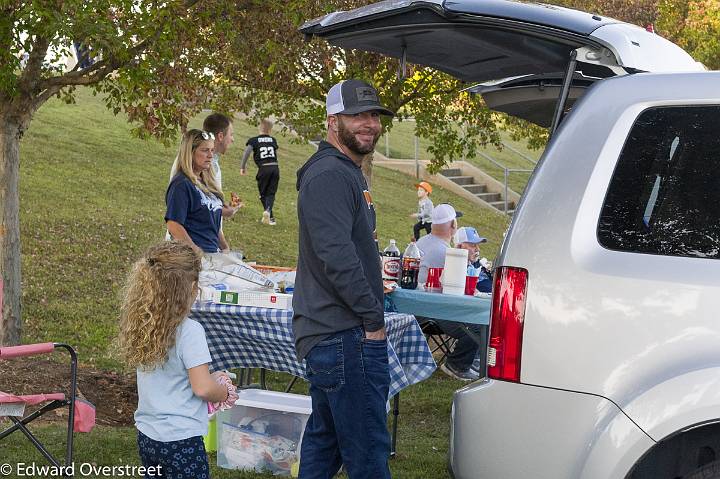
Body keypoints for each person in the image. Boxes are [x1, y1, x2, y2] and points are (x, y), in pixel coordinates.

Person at [293, 79, 394, 479]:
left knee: (325, 445)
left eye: (374, 115)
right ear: (333, 121)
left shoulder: (343, 172)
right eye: (358, 115)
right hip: (344, 335)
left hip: (336, 334)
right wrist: (373, 320)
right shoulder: (330, 176)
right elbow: (336, 257)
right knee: (367, 453)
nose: (369, 123)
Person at [118, 241, 238, 478]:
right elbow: (202, 388)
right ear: (192, 287)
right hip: (181, 439)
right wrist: (224, 392)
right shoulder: (190, 331)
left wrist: (211, 377)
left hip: (148, 435)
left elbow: (173, 377)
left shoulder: (145, 325)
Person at [415, 205, 485, 381]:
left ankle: (467, 362)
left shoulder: (421, 242)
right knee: (478, 324)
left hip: (413, 306)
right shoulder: (448, 252)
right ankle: (457, 365)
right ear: (453, 224)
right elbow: (456, 292)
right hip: (431, 310)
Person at [166, 129, 231, 253]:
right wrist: (195, 251)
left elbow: (211, 221)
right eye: (205, 150)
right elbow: (173, 225)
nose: (210, 155)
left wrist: (225, 247)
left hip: (213, 256)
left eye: (212, 150)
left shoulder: (207, 183)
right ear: (190, 152)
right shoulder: (181, 184)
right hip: (191, 261)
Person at [170, 113, 240, 220]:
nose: (232, 139)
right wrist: (225, 211)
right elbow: (191, 203)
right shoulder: (196, 164)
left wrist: (221, 205)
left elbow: (204, 200)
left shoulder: (211, 162)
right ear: (220, 136)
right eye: (231, 134)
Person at [241, 119, 280, 225]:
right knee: (271, 193)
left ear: (259, 128)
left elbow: (247, 152)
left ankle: (268, 213)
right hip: (275, 168)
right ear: (270, 130)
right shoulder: (273, 140)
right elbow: (275, 154)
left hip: (263, 168)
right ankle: (269, 216)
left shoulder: (254, 140)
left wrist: (242, 167)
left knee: (263, 194)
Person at [453, 226, 493, 293]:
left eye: (478, 245)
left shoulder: (475, 266)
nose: (478, 249)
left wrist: (492, 273)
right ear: (459, 247)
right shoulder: (453, 267)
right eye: (473, 245)